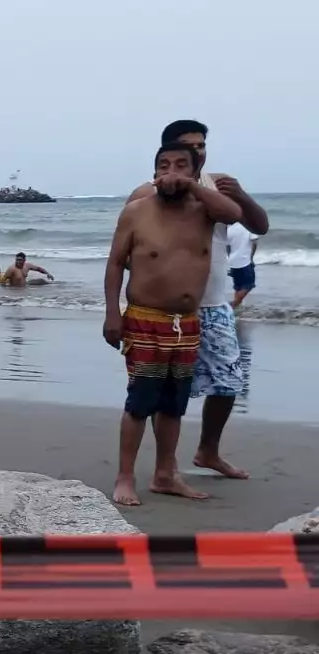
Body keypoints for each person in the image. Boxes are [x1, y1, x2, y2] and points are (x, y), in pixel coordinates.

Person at [127, 119, 270, 481]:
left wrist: (240, 194)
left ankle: (208, 450)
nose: (198, 150)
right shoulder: (146, 192)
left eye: (202, 144)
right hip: (166, 310)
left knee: (229, 382)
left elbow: (259, 226)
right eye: (189, 144)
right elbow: (128, 250)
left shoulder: (219, 186)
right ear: (169, 151)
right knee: (164, 389)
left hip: (214, 303)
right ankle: (166, 465)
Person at [104, 143, 244, 506]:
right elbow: (116, 263)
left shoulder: (204, 211)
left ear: (196, 172)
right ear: (153, 173)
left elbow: (235, 212)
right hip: (145, 320)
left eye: (182, 165)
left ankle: (166, 475)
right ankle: (125, 477)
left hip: (188, 324)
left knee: (173, 405)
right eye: (164, 165)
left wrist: (193, 186)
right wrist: (111, 314)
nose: (171, 171)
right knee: (140, 402)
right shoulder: (137, 211)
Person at [227, 223, 257, 308]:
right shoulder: (249, 226)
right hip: (245, 261)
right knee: (249, 285)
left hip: (233, 261)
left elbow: (227, 246)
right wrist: (251, 258)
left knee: (238, 287)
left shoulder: (229, 228)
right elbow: (254, 242)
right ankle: (233, 305)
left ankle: (235, 309)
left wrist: (230, 257)